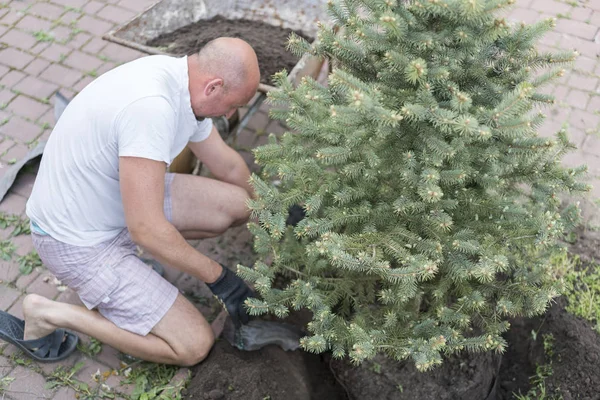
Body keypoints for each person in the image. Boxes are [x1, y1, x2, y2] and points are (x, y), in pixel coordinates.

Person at [1, 37, 259, 366]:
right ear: (214, 87)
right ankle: (52, 313)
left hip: (113, 201)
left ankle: (131, 276)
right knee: (193, 344)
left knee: (238, 205)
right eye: (232, 104)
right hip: (77, 241)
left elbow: (228, 165)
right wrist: (219, 278)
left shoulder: (183, 83)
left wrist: (272, 210)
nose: (230, 113)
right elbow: (147, 229)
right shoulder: (152, 108)